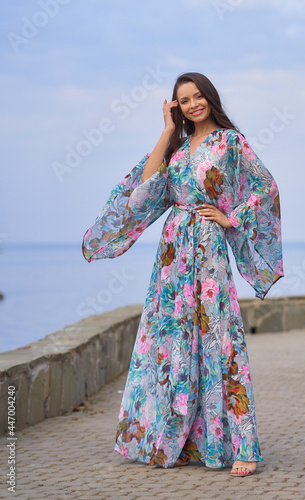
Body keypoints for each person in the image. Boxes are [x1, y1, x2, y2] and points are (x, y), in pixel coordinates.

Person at [82, 72, 284, 477]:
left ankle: (243, 446)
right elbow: (143, 187)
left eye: (197, 97)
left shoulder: (230, 142)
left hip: (208, 249)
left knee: (218, 338)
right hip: (173, 255)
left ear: (209, 98)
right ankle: (177, 440)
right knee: (172, 340)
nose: (193, 105)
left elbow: (267, 187)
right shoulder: (175, 146)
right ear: (176, 106)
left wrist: (231, 217)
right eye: (183, 100)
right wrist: (166, 130)